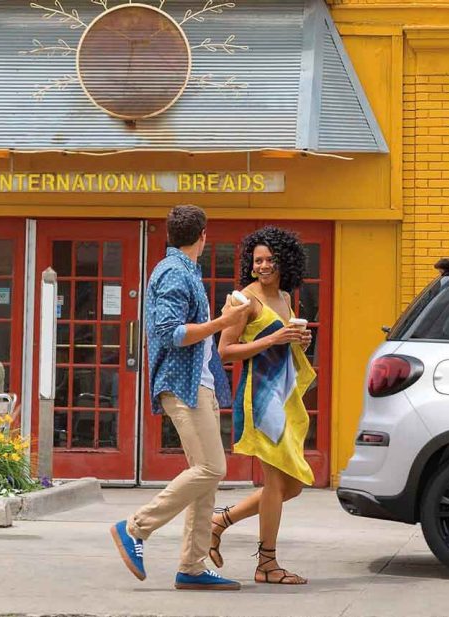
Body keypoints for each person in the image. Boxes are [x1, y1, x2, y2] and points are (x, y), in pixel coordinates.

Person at [109, 205, 246, 591]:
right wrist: (223, 323)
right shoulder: (173, 272)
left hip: (197, 381)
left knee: (205, 478)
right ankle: (134, 527)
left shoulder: (184, 270)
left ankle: (193, 566)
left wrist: (222, 316)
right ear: (203, 234)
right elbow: (170, 332)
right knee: (211, 469)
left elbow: (187, 329)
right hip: (184, 385)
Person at [209, 226, 315, 586]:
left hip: (284, 396)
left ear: (284, 261)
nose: (264, 265)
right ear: (250, 265)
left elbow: (285, 342)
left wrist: (299, 338)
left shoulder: (285, 297)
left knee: (293, 485)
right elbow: (225, 350)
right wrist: (272, 337)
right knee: (274, 482)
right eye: (258, 260)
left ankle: (219, 522)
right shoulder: (243, 300)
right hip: (258, 398)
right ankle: (267, 564)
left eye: (270, 259)